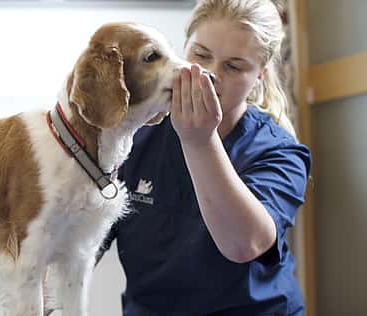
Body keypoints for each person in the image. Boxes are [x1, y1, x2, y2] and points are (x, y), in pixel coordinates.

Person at [97, 0, 311, 315]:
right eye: (200, 55)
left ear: (260, 76)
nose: (210, 75)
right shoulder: (134, 137)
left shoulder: (279, 152)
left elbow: (244, 245)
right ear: (184, 48)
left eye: (234, 66)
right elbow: (81, 239)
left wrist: (199, 141)